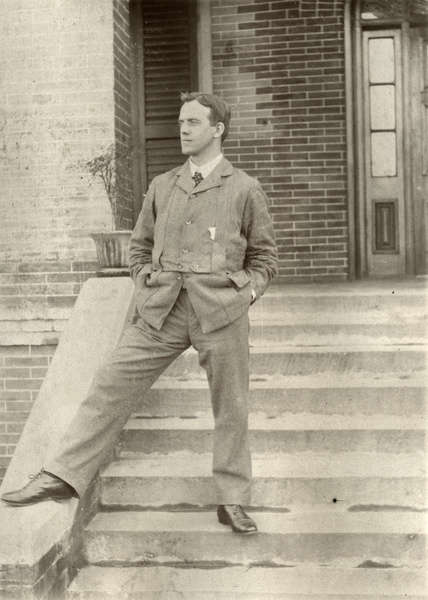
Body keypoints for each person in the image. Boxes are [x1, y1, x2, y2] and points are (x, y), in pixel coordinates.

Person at [1, 92, 278, 534]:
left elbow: (265, 259)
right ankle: (61, 476)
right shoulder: (163, 184)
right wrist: (143, 278)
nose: (183, 129)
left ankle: (232, 500)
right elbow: (138, 246)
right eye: (181, 121)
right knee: (110, 384)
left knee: (232, 407)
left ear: (217, 130)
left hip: (221, 313)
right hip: (162, 311)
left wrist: (245, 295)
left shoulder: (244, 188)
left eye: (193, 122)